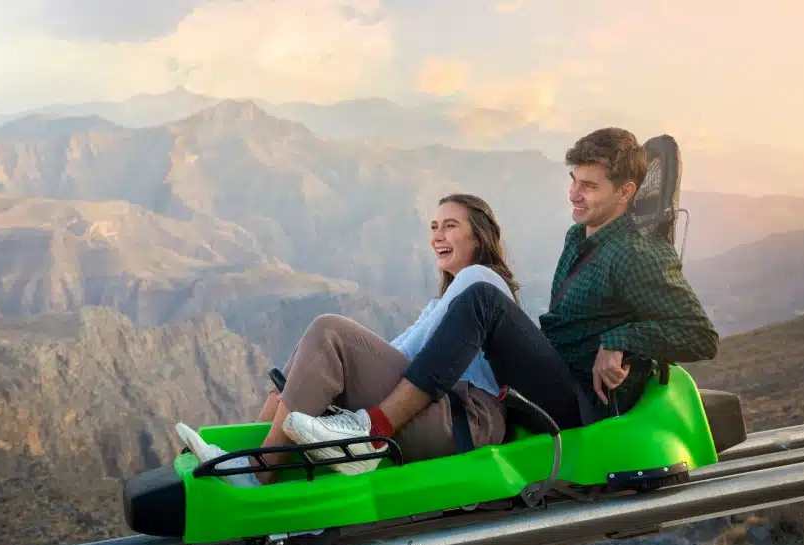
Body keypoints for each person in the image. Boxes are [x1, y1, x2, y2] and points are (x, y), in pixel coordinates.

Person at [286, 128, 718, 452]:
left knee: (482, 298)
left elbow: (699, 334)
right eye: (574, 180)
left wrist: (620, 340)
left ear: (626, 192)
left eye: (589, 186)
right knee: (470, 309)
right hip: (552, 369)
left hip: (580, 400)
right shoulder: (579, 237)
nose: (574, 194)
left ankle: (374, 431)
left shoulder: (636, 253)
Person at [179, 194, 519, 484]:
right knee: (315, 349)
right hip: (437, 412)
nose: (437, 236)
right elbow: (402, 352)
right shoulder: (442, 303)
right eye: (434, 227)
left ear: (479, 237)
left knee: (329, 333)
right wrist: (318, 379)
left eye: (450, 225)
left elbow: (417, 356)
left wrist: (343, 370)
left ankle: (257, 474)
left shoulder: (482, 282)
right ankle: (248, 450)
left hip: (465, 420)